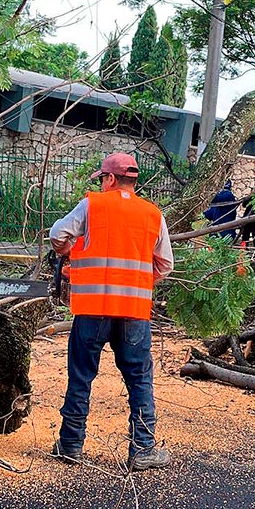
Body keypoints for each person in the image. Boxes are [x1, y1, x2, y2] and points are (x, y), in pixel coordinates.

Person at [48, 152, 174, 471]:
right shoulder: (152, 214)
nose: (102, 184)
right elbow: (165, 264)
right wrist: (140, 279)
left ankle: (71, 444)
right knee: (139, 379)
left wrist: (67, 252)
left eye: (102, 178)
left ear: (111, 179)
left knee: (81, 376)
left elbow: (57, 236)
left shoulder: (93, 205)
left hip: (92, 308)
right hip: (133, 310)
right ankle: (143, 448)